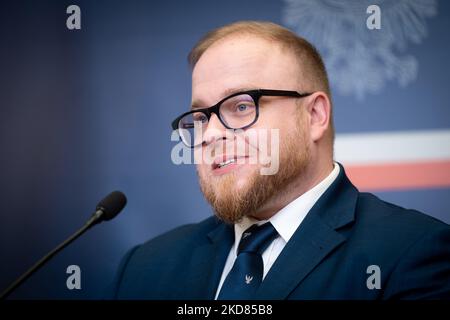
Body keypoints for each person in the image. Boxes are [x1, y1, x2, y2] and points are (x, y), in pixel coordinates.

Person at [110, 21, 450, 299]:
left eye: (241, 106)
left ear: (314, 115)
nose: (211, 134)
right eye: (200, 117)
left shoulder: (413, 255)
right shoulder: (145, 268)